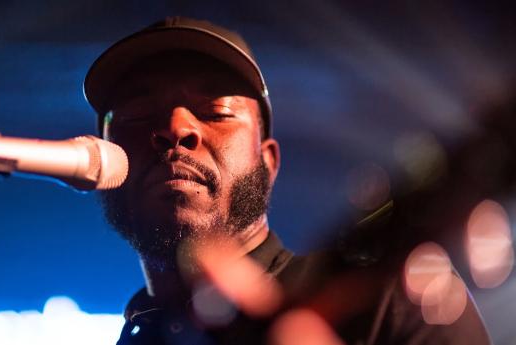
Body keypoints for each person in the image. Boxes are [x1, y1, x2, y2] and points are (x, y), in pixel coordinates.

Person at [83, 17, 492, 345]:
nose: (175, 127)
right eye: (137, 115)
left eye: (215, 110)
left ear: (268, 162)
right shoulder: (142, 331)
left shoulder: (384, 300)